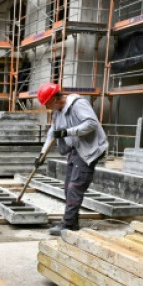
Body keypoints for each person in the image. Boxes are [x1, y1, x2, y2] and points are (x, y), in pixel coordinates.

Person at [36, 82, 108, 236]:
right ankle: (70, 220)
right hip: (76, 149)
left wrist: (67, 132)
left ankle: (68, 225)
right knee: (68, 186)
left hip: (90, 150)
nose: (47, 107)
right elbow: (52, 132)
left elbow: (92, 123)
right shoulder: (58, 112)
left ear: (54, 99)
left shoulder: (78, 104)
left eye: (47, 103)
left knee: (75, 187)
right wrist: (42, 154)